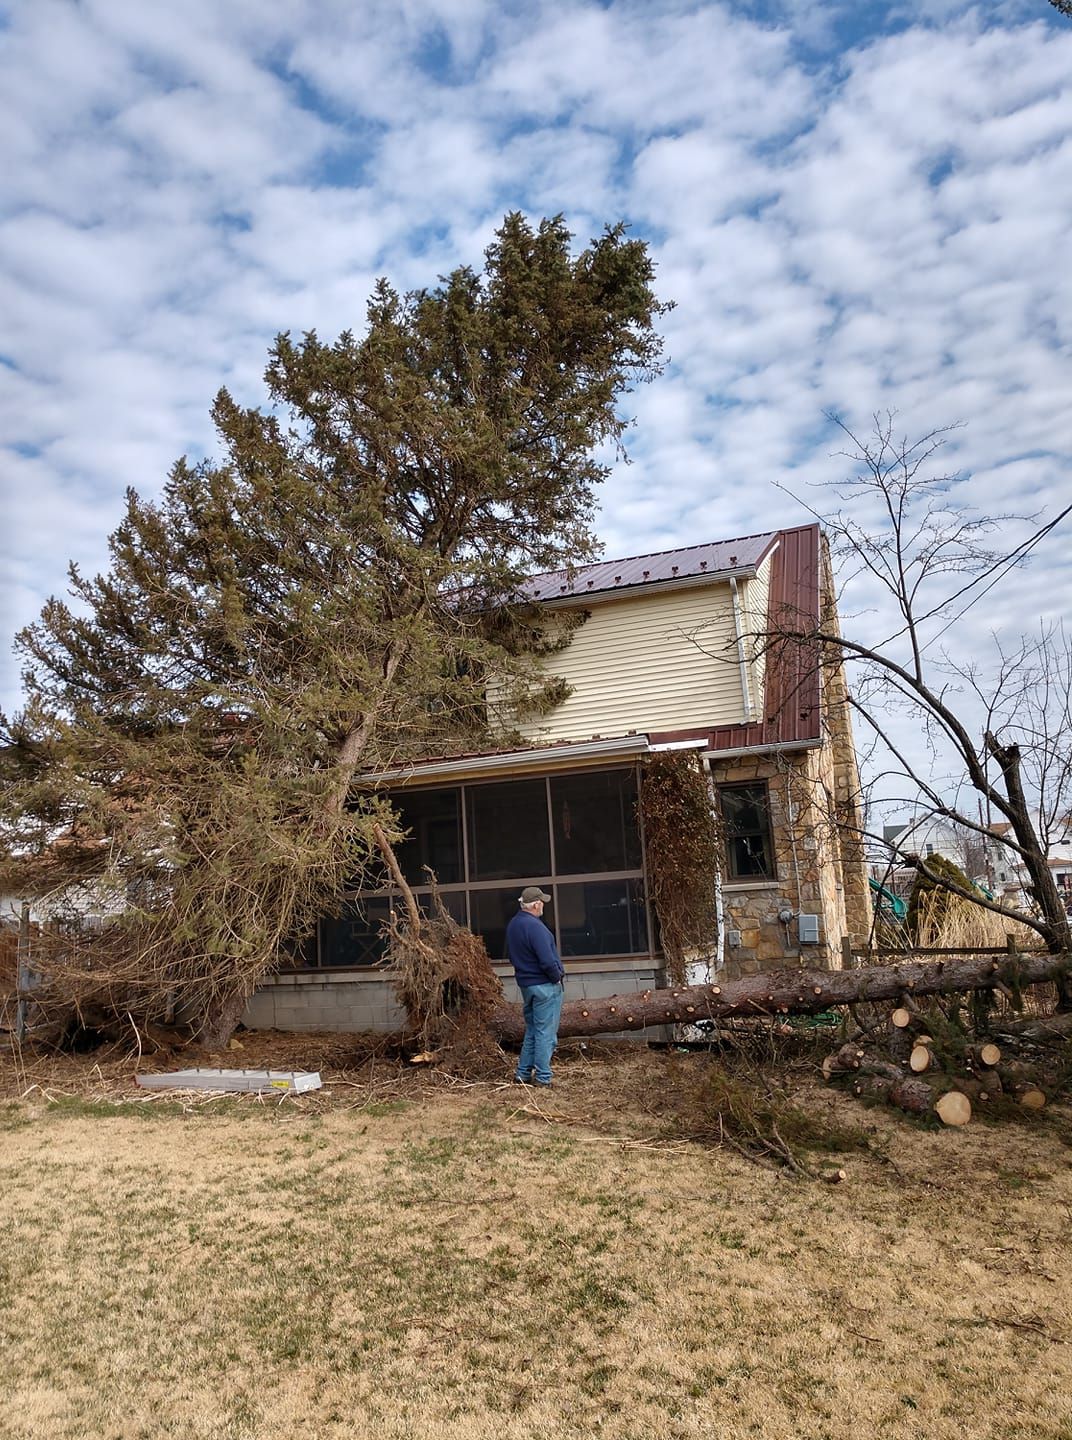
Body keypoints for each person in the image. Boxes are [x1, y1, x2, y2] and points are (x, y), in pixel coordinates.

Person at [506, 886, 565, 1087]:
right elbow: (547, 961)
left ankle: (522, 1074)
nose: (543, 907)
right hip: (545, 985)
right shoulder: (536, 927)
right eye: (542, 903)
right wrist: (556, 977)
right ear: (536, 904)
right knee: (545, 1034)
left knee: (532, 1030)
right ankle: (543, 1078)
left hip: (526, 985)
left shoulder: (514, 925)